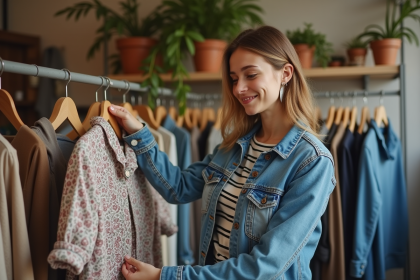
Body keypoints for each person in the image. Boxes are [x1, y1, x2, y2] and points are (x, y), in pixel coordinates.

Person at [109, 25, 335, 280]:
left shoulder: (311, 161)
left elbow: (267, 265)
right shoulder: (233, 148)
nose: (239, 88)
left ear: (285, 73)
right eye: (234, 78)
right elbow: (178, 187)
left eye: (250, 75)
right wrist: (139, 134)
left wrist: (166, 276)